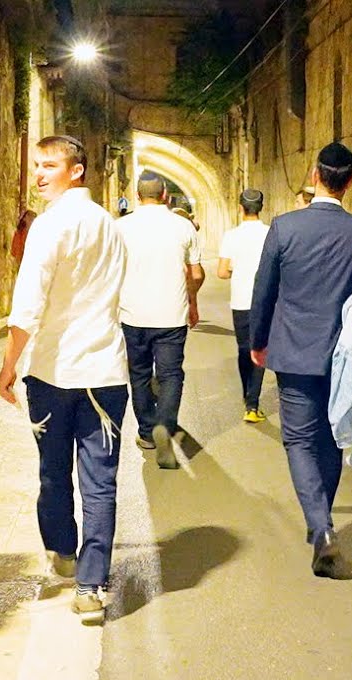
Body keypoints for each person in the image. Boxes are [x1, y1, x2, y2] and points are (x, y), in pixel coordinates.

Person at [0, 135, 129, 624]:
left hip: (53, 372)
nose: (39, 174)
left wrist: (8, 366)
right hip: (105, 372)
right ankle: (91, 585)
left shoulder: (50, 225)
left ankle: (64, 551)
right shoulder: (109, 225)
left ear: (77, 171)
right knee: (101, 481)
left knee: (54, 471)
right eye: (36, 165)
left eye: (50, 165)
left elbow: (27, 305)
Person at [251, 142, 352, 580]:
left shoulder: (284, 226)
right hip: (342, 353)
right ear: (349, 183)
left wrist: (258, 341)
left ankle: (322, 527)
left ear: (315, 176)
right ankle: (321, 522)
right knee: (332, 438)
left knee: (298, 440)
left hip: (294, 351)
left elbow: (264, 290)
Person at [115, 171, 204, 469]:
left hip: (133, 315)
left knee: (139, 375)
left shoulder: (120, 227)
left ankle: (146, 433)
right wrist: (192, 302)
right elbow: (196, 274)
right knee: (170, 375)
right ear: (165, 195)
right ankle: (165, 424)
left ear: (137, 196)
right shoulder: (183, 226)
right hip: (171, 316)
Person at [217, 188, 270, 423]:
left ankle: (246, 395)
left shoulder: (231, 236)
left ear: (240, 208)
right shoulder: (270, 233)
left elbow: (222, 272)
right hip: (264, 300)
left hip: (240, 300)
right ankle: (252, 405)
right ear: (261, 208)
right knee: (259, 350)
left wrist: (237, 272)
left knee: (243, 348)